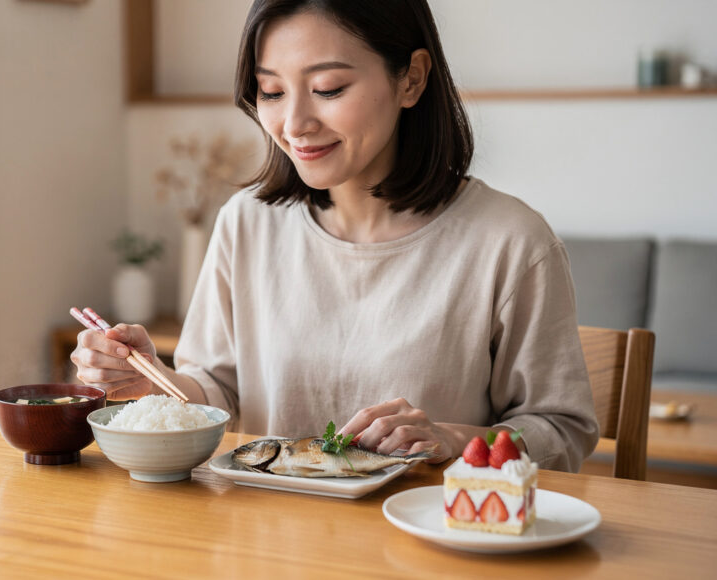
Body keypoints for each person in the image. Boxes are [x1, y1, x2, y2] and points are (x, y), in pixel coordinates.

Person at [71, 0, 599, 472]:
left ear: (411, 78)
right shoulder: (246, 223)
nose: (294, 123)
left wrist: (450, 439)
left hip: (431, 538)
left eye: (328, 89)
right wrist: (150, 380)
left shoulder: (509, 241)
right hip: (269, 538)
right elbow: (219, 394)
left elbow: (562, 431)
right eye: (272, 91)